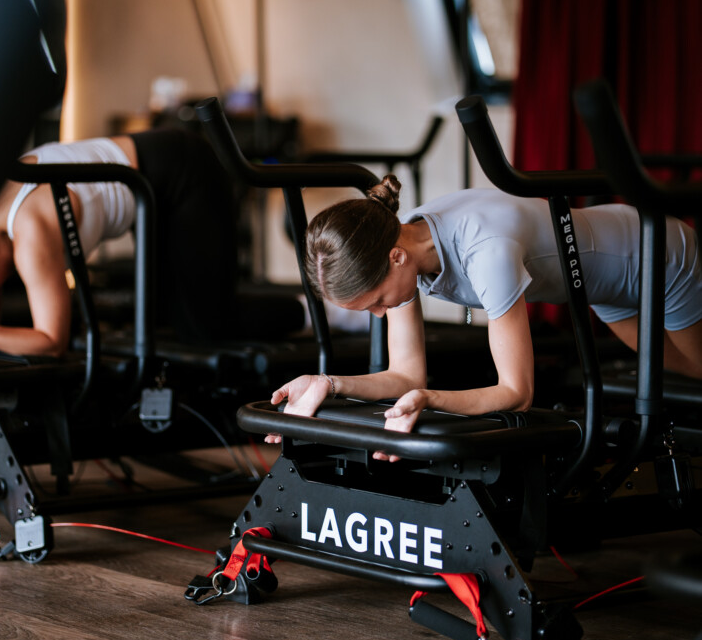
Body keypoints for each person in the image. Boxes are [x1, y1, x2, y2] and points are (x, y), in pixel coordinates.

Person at [269, 175, 702, 459]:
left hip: (658, 256)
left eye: (377, 302)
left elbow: (517, 392)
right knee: (676, 371)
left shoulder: (486, 249)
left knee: (698, 371)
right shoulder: (405, 241)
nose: (381, 314)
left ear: (395, 258)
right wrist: (329, 384)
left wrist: (432, 399)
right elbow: (405, 375)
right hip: (605, 291)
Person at [0, 128, 241, 356]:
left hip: (186, 172)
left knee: (203, 328)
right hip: (150, 180)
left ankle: (290, 311)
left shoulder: (29, 231)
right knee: (164, 315)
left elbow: (51, 342)